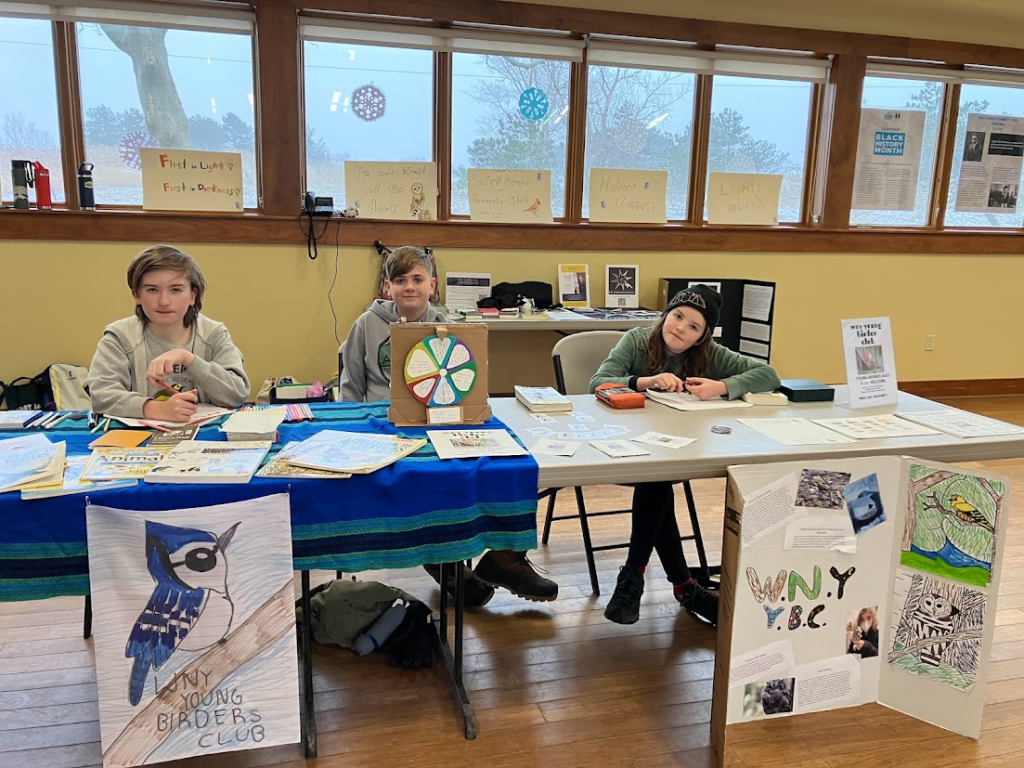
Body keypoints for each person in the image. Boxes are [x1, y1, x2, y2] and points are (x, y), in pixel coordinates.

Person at [341, 246, 558, 608]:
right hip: (385, 423)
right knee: (420, 482)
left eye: (417, 279)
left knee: (502, 467)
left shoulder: (449, 326)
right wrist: (355, 428)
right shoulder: (366, 324)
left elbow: (465, 381)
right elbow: (351, 382)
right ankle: (447, 568)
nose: (409, 287)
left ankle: (504, 558)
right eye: (399, 281)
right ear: (386, 287)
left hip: (438, 423)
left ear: (432, 285)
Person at [589, 285, 781, 626]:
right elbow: (598, 383)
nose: (680, 328)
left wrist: (720, 387)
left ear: (702, 337)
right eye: (677, 316)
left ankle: (641, 579)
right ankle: (680, 585)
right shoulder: (636, 339)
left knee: (658, 477)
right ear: (666, 315)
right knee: (657, 479)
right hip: (620, 447)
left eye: (693, 327)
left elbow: (769, 376)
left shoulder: (711, 354)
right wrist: (644, 381)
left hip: (673, 449)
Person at [88, 245, 249, 421]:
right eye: (152, 290)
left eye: (175, 290)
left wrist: (188, 359)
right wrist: (157, 409)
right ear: (137, 295)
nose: (164, 301)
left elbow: (237, 394)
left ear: (192, 295)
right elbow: (101, 396)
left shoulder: (214, 334)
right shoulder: (120, 337)